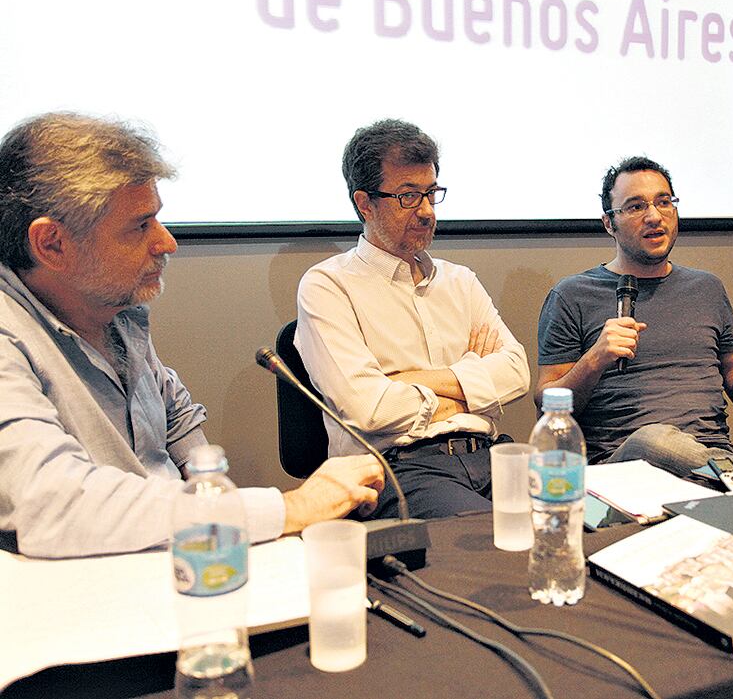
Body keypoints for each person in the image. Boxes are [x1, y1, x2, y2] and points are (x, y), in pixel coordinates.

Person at [0, 112, 384, 558]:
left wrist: (220, 521)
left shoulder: (116, 312)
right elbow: (54, 505)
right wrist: (288, 508)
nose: (166, 242)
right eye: (140, 226)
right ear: (52, 244)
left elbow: (177, 418)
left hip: (176, 562)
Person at [294, 119, 530, 519]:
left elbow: (517, 371)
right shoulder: (328, 286)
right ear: (364, 202)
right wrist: (473, 376)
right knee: (492, 539)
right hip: (400, 469)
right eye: (407, 196)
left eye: (431, 193)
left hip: (490, 454)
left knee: (581, 519)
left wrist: (409, 381)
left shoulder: (460, 281)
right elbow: (369, 409)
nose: (425, 211)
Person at [536, 156, 733, 475]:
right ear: (609, 223)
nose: (654, 216)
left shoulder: (707, 288)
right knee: (654, 439)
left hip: (712, 454)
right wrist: (594, 359)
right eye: (636, 206)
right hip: (620, 464)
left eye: (664, 202)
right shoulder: (572, 295)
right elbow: (546, 409)